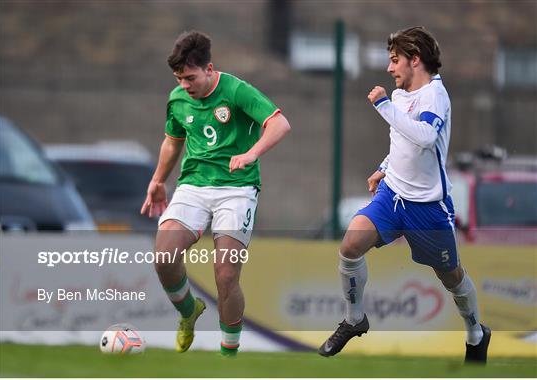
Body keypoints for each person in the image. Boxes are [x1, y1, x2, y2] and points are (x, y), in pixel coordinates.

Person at [318, 26, 491, 364]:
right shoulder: (400, 96)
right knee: (351, 246)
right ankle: (355, 319)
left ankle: (475, 332)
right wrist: (384, 166)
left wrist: (382, 104)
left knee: (451, 276)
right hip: (392, 195)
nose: (389, 68)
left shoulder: (435, 96)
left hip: (427, 208)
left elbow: (425, 136)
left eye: (395, 60)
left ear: (415, 60)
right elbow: (402, 141)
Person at [141, 30, 291, 356]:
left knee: (225, 274)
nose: (185, 85)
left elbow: (279, 124)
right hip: (193, 185)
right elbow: (173, 141)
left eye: (190, 77)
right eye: (179, 78)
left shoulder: (236, 90)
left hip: (237, 189)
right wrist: (157, 181)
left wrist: (252, 153)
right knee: (164, 257)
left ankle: (229, 353)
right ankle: (188, 312)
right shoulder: (177, 99)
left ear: (209, 69)